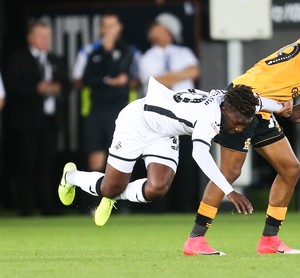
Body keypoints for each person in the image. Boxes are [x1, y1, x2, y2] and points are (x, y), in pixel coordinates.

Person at [183, 16, 300, 256]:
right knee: (230, 171)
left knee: (290, 169)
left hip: (263, 107)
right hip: (242, 103)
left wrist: (286, 109)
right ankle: (195, 240)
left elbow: (280, 77)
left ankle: (269, 240)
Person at [58, 77, 290, 230]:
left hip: (163, 133)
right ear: (225, 109)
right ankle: (71, 177)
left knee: (157, 189)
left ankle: (115, 197)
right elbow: (200, 154)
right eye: (238, 123)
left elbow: (257, 102)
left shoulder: (231, 101)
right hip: (136, 123)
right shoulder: (208, 117)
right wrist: (230, 191)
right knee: (110, 187)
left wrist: (284, 109)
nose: (238, 129)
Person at [2, 20, 70, 216]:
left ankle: (48, 206)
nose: (45, 40)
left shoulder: (55, 59)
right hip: (26, 122)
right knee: (26, 164)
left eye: (47, 36)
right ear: (30, 38)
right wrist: (37, 89)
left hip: (50, 121)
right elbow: (12, 87)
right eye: (41, 36)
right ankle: (25, 208)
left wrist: (56, 88)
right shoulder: (18, 58)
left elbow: (67, 85)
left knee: (47, 165)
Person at [138, 12, 200, 212]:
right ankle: (158, 209)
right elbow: (153, 82)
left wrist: (168, 77)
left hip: (187, 116)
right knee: (160, 162)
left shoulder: (183, 52)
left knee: (188, 163)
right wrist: (179, 75)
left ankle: (187, 208)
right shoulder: (147, 56)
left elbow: (194, 71)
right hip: (161, 118)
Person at [72, 12, 133, 174]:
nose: (107, 30)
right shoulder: (93, 52)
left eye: (111, 26)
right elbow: (86, 79)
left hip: (119, 110)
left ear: (119, 28)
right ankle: (95, 198)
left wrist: (104, 76)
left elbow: (122, 75)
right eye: (104, 26)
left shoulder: (127, 50)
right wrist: (107, 80)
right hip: (96, 109)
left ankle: (120, 199)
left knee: (121, 158)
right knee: (95, 157)